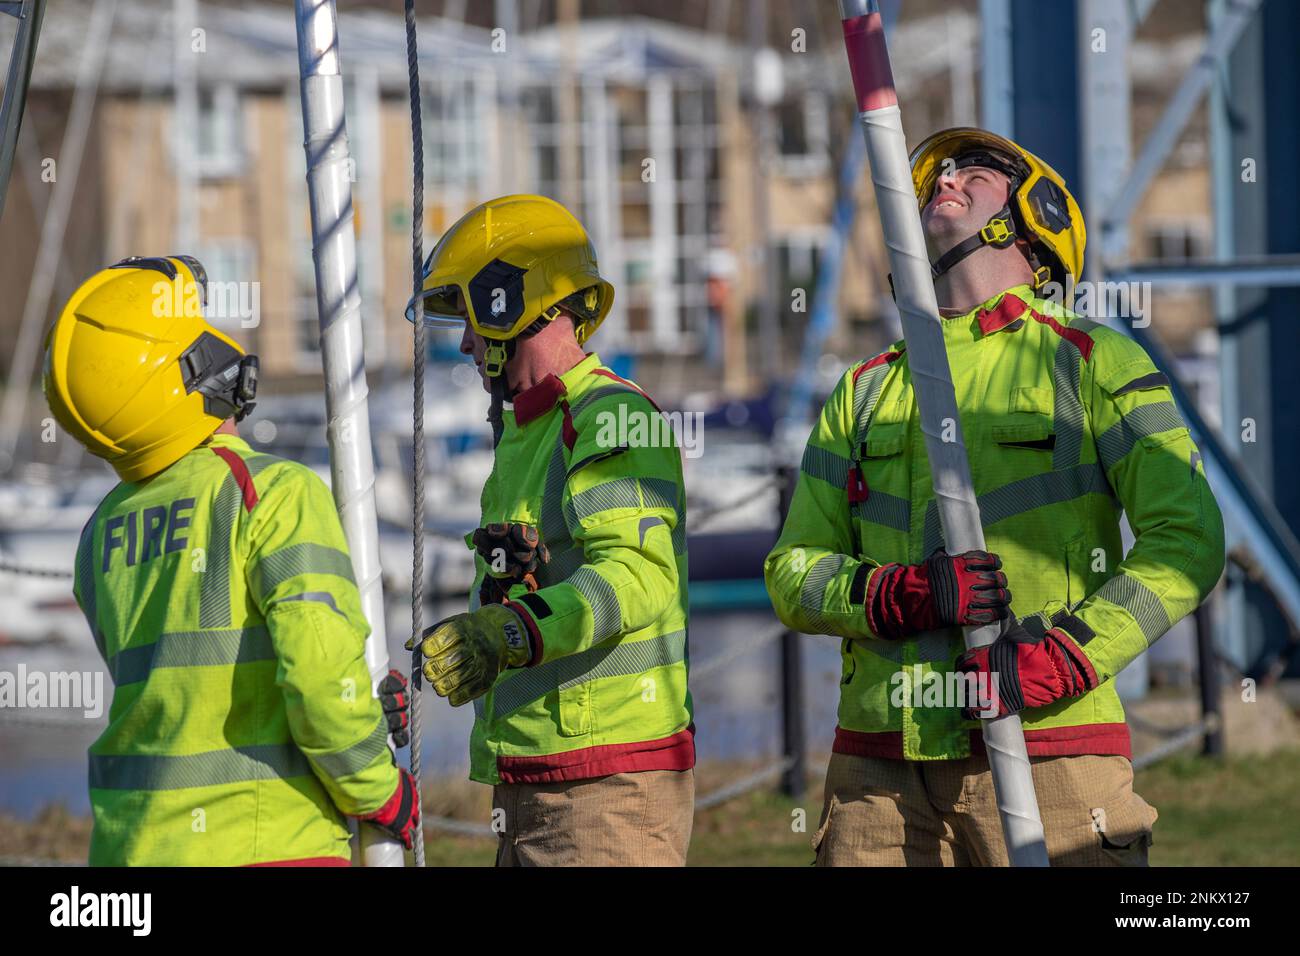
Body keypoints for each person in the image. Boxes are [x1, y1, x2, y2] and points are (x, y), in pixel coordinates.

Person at [765, 128, 1225, 866]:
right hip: (878, 778)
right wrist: (894, 594)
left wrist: (1067, 655)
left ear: (1036, 217)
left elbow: (1189, 541)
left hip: (1053, 753)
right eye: (937, 174)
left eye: (975, 169)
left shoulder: (1093, 360)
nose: (946, 175)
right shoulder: (864, 389)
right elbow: (792, 571)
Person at [44, 255, 417, 866]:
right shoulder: (267, 492)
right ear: (191, 372)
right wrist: (381, 791)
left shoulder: (100, 531)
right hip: (262, 845)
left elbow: (190, 688)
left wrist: (363, 713)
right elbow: (320, 684)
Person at [406, 195, 694, 866]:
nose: (467, 343)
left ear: (508, 300)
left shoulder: (604, 416)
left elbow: (638, 577)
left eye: (473, 320)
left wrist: (509, 633)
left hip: (605, 788)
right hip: (539, 782)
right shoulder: (526, 433)